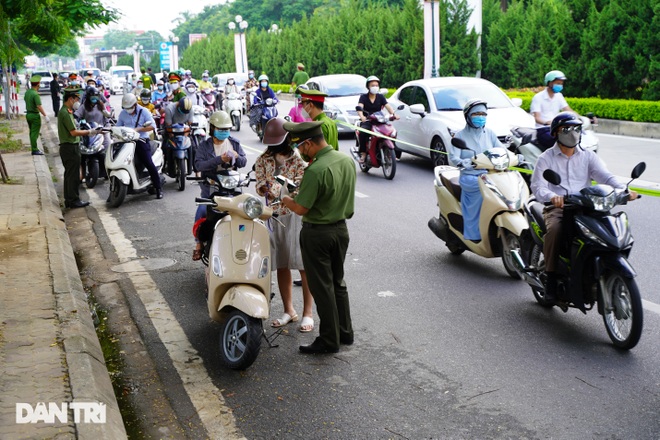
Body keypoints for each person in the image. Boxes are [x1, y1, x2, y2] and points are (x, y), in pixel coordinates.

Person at [530, 111, 638, 302]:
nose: (572, 133)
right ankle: (551, 278)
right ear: (556, 133)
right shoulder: (546, 158)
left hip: (588, 206)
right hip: (560, 208)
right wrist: (552, 196)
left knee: (611, 227)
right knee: (555, 230)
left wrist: (624, 190)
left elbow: (606, 176)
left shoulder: (588, 156)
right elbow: (538, 185)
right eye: (566, 129)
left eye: (576, 129)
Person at [281, 121, 356, 354]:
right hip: (341, 231)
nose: (300, 152)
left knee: (321, 288)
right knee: (337, 283)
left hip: (318, 234)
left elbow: (302, 208)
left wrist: (285, 199)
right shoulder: (346, 160)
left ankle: (328, 340)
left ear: (310, 143)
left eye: (301, 147)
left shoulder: (315, 169)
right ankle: (345, 333)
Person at [255, 118, 315, 332]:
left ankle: (308, 313)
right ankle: (289, 310)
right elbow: (259, 184)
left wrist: (278, 184)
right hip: (274, 215)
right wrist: (265, 189)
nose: (273, 147)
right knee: (281, 263)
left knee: (302, 264)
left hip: (296, 214)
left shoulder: (298, 160)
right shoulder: (263, 159)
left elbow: (299, 185)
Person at [192, 111, 247, 260]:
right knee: (202, 211)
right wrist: (219, 159)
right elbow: (198, 165)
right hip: (211, 188)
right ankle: (198, 243)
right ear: (212, 128)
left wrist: (237, 156)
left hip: (232, 188)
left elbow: (243, 162)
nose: (224, 132)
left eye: (226, 129)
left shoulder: (234, 142)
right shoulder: (204, 146)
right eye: (221, 129)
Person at [448, 99, 504, 242]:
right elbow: (453, 156)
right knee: (482, 191)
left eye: (483, 114)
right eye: (476, 114)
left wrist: (515, 156)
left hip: (490, 174)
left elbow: (501, 149)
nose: (480, 117)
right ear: (467, 116)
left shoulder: (489, 133)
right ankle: (473, 235)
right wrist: (463, 162)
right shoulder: (460, 136)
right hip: (470, 177)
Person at [57, 85, 101, 208]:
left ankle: (70, 199)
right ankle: (73, 200)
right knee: (73, 176)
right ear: (70, 99)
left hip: (69, 147)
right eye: (76, 99)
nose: (77, 101)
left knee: (70, 175)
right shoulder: (65, 113)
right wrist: (90, 132)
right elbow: (73, 132)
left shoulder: (67, 112)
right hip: (70, 147)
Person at [115, 93, 163, 199]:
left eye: (130, 107)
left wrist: (138, 129)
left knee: (149, 163)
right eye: (126, 108)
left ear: (135, 104)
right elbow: (118, 126)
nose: (128, 109)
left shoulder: (144, 111)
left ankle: (158, 188)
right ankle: (114, 190)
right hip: (127, 141)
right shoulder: (123, 113)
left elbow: (152, 126)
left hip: (141, 140)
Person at [356, 75, 399, 163]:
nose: (375, 87)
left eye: (376, 85)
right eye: (372, 85)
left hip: (379, 120)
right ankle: (363, 153)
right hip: (368, 121)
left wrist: (394, 114)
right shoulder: (363, 97)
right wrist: (362, 116)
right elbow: (359, 107)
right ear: (368, 86)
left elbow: (388, 107)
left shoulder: (380, 97)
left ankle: (393, 152)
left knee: (391, 132)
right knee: (363, 132)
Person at [74, 86, 111, 158]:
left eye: (96, 96)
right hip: (90, 132)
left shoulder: (101, 106)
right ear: (88, 97)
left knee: (108, 144)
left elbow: (107, 117)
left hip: (102, 131)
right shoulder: (84, 106)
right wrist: (76, 123)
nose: (94, 97)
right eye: (92, 96)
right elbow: (76, 116)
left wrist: (107, 128)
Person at [163, 97, 194, 176]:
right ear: (178, 105)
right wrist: (172, 138)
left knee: (194, 148)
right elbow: (168, 125)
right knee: (165, 148)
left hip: (184, 132)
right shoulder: (170, 109)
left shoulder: (190, 109)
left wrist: (185, 137)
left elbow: (189, 124)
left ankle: (195, 168)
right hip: (171, 131)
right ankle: (165, 166)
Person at [24, 75, 50, 156]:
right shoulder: (35, 94)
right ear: (38, 84)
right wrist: (45, 115)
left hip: (28, 114)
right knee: (34, 133)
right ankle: (34, 149)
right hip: (35, 116)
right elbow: (39, 106)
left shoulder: (28, 92)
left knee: (32, 132)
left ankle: (34, 148)